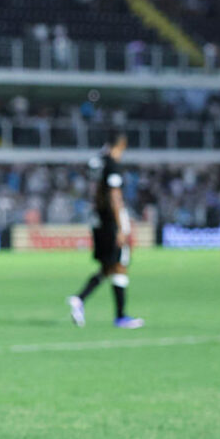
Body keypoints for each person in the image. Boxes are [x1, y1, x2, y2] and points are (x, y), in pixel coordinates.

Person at [68, 133, 144, 329]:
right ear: (121, 145)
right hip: (111, 222)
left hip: (98, 220)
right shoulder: (112, 165)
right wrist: (121, 226)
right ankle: (120, 316)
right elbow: (114, 196)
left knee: (108, 267)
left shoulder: (98, 163)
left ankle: (79, 299)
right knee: (120, 265)